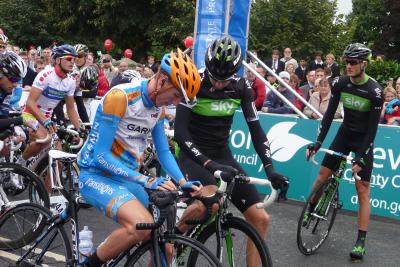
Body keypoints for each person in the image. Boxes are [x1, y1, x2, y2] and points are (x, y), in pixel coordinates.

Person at [77, 49, 202, 267]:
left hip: (127, 178)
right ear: (162, 81)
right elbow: (100, 155)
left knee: (166, 248)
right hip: (96, 174)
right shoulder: (120, 97)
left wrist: (182, 181)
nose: (175, 102)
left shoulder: (158, 109)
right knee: (141, 224)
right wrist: (146, 180)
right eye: (175, 95)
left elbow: (163, 151)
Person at [174, 36, 289, 267]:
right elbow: (180, 134)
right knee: (210, 204)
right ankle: (170, 240)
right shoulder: (194, 81)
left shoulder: (241, 87)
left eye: (224, 80)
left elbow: (256, 131)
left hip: (221, 154)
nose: (217, 84)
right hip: (191, 154)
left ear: (235, 73)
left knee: (261, 219)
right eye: (215, 78)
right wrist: (209, 165)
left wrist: (270, 169)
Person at [305, 43, 383, 261]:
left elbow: (372, 130)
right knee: (322, 176)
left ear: (364, 64)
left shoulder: (374, 91)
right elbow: (329, 116)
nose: (348, 66)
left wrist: (363, 155)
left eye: (353, 62)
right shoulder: (339, 83)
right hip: (344, 135)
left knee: (362, 190)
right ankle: (311, 208)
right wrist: (318, 142)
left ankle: (360, 241)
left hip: (362, 141)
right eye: (346, 61)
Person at [19, 45, 81, 167]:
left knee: (59, 162)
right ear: (58, 60)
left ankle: (44, 185)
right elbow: (30, 103)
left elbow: (70, 108)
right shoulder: (45, 75)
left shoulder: (70, 82)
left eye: (74, 59)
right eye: (69, 58)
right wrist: (45, 120)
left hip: (47, 120)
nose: (72, 62)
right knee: (45, 139)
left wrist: (79, 129)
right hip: (30, 114)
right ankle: (20, 164)